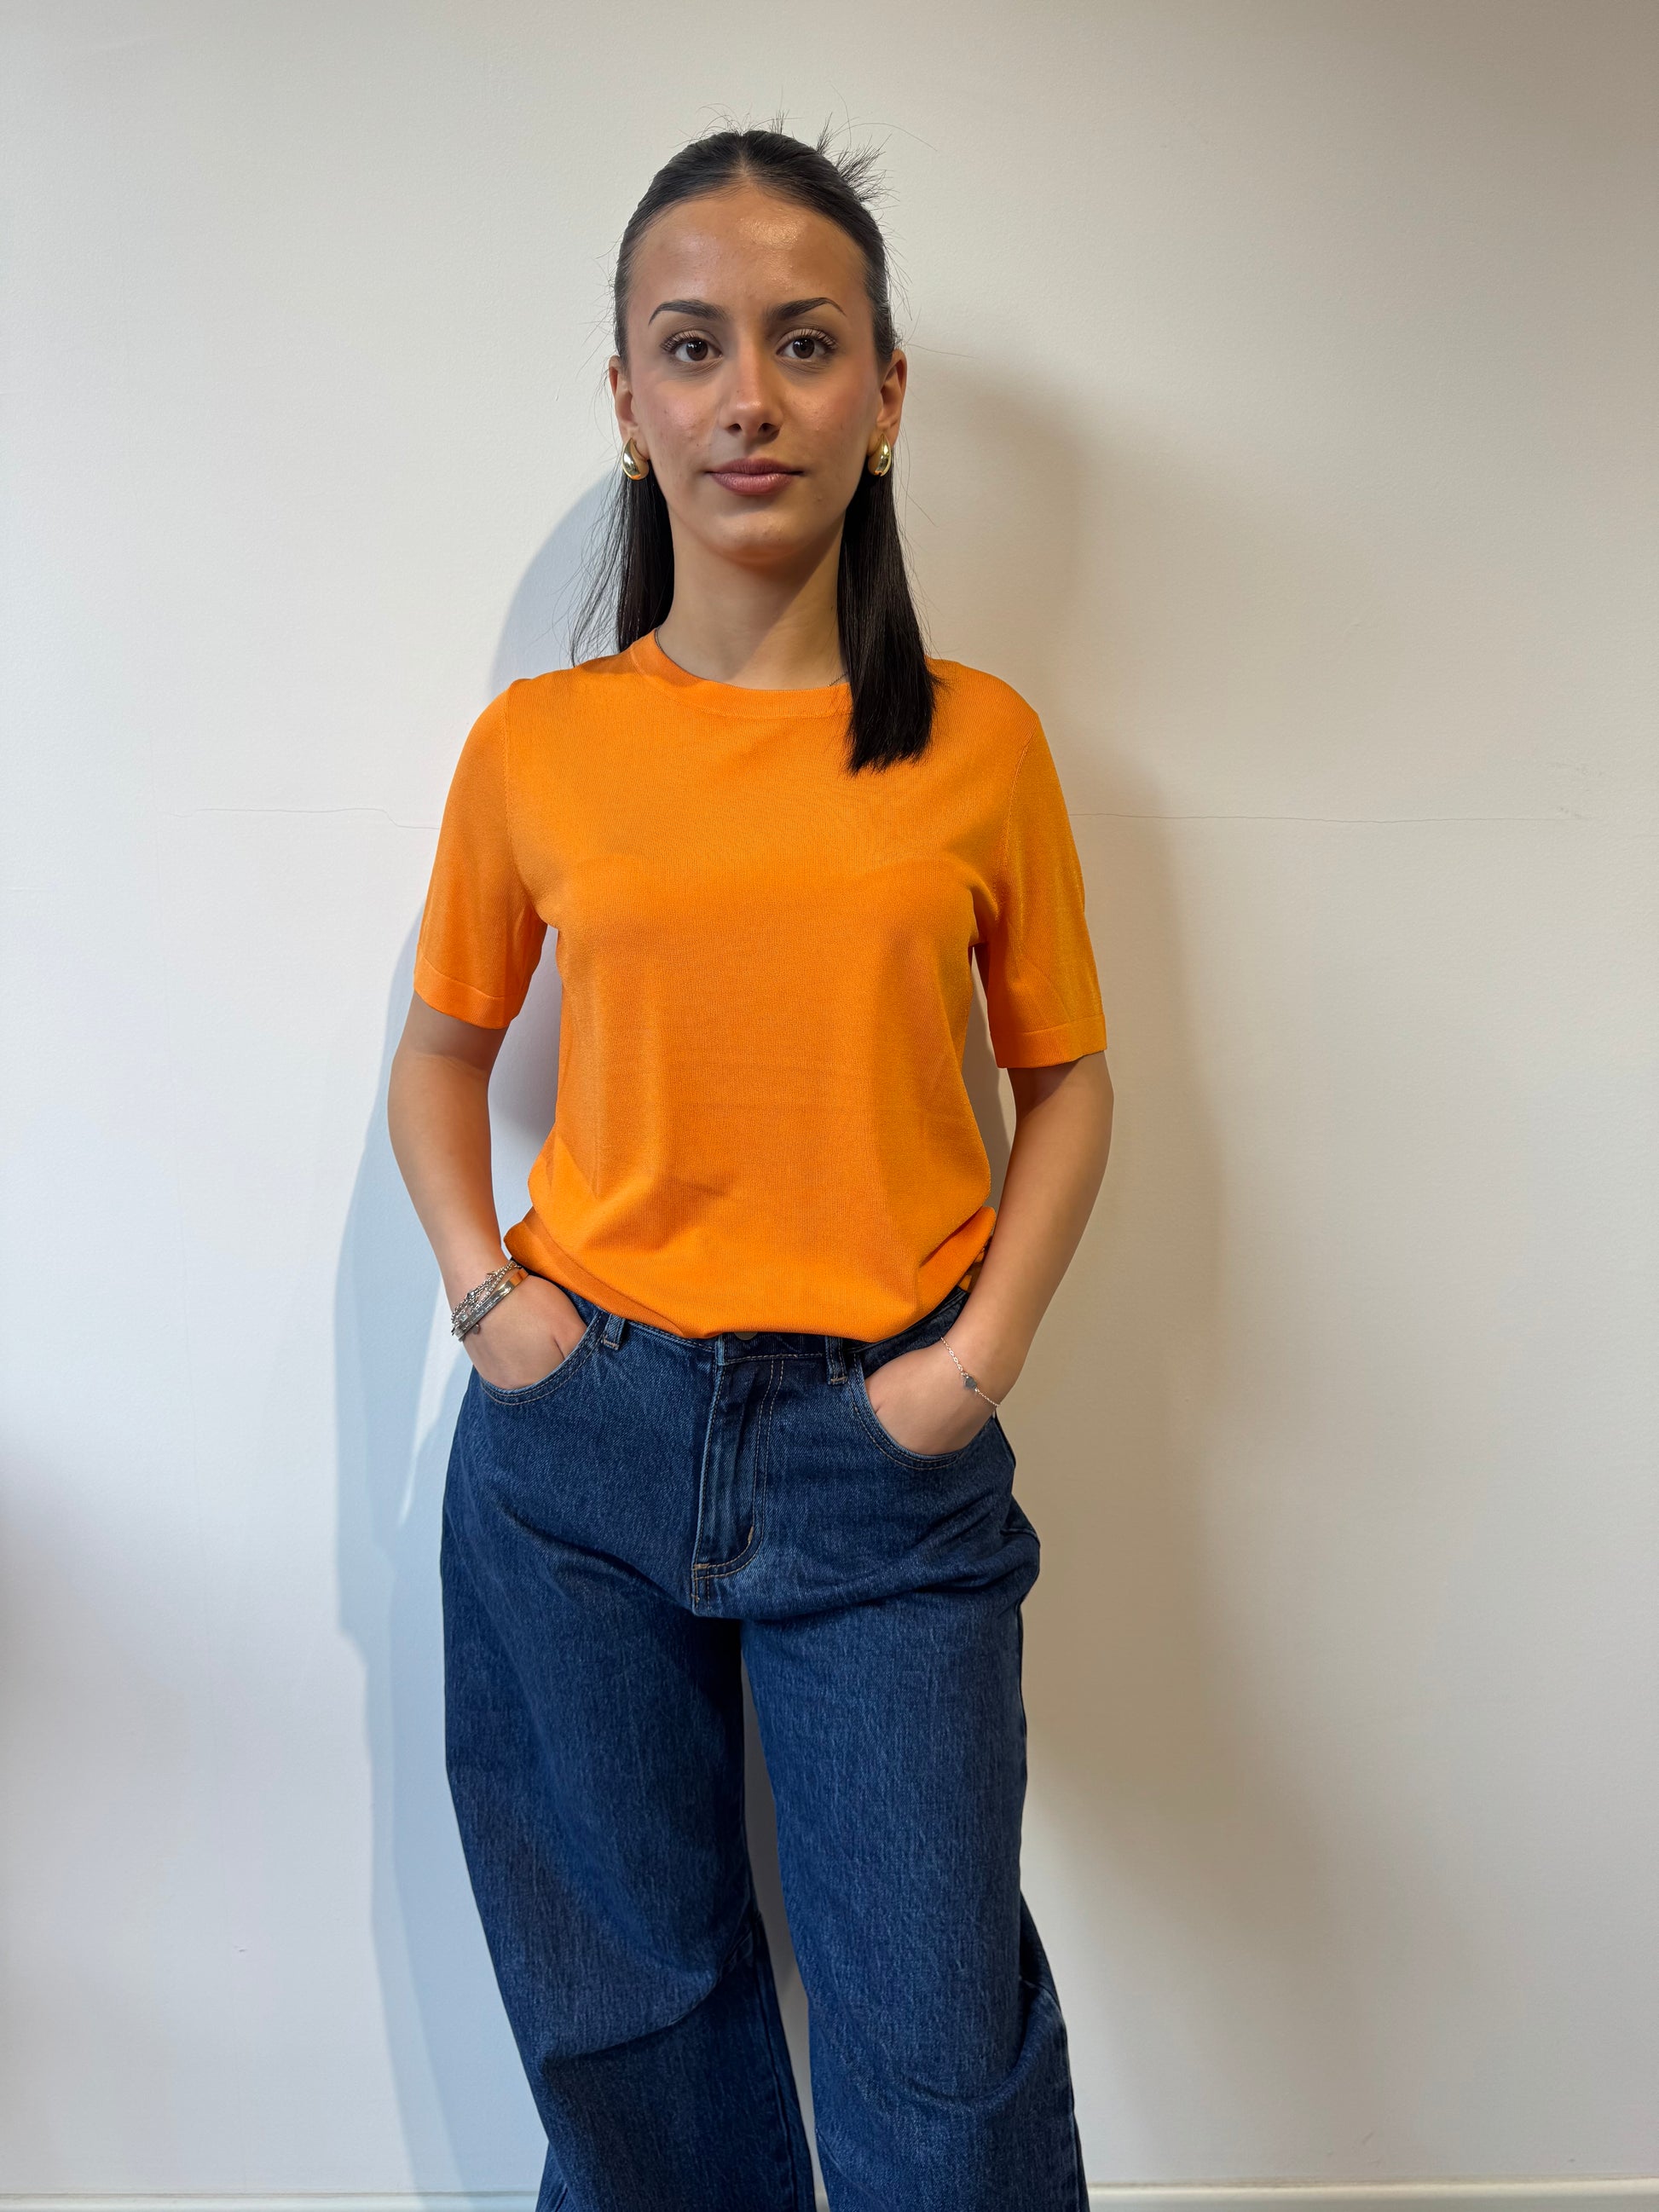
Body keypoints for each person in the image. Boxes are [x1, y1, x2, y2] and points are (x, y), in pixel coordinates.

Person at [387, 120, 1113, 2212]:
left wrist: (967, 1367)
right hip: (580, 1445)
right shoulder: (539, 746)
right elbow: (439, 1058)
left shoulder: (980, 743)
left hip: (883, 1457)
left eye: (804, 343)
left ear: (885, 395)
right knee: (630, 2041)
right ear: (626, 397)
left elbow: (1067, 1081)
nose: (748, 398)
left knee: (939, 2070)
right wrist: (487, 1299)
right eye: (691, 346)